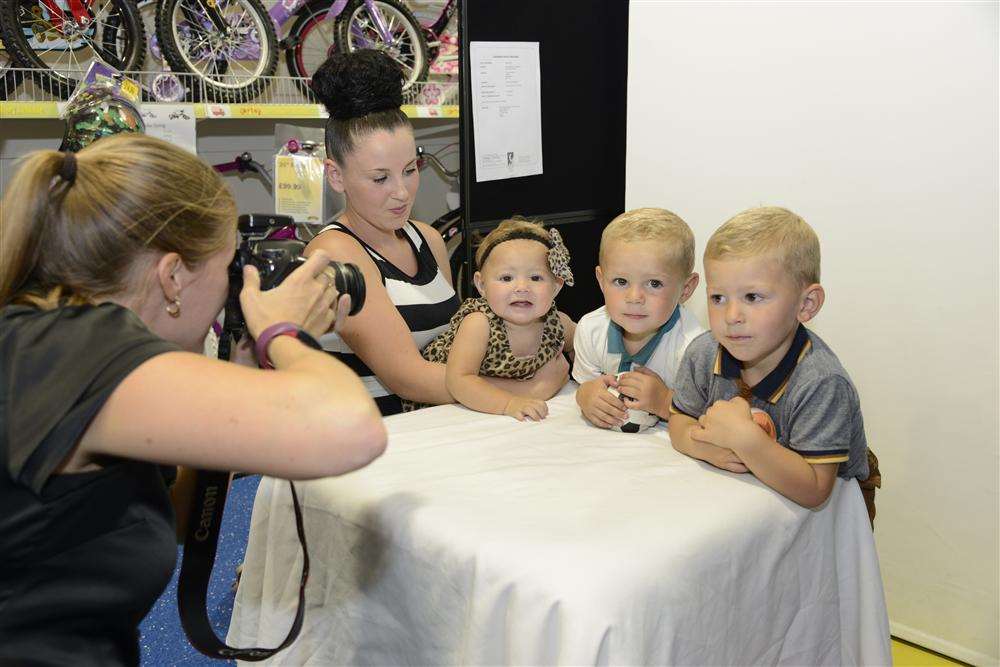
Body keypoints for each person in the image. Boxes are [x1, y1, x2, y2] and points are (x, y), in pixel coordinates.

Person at [0, 134, 387, 666]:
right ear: (173, 275)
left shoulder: (50, 340)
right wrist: (283, 331)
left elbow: (162, 518)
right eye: (229, 266)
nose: (233, 288)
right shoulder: (77, 348)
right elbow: (351, 431)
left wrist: (245, 372)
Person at [307, 49, 568, 415]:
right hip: (367, 443)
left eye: (411, 169)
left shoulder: (427, 240)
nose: (402, 191)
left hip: (434, 431)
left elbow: (454, 346)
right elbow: (408, 377)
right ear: (336, 176)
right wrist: (529, 387)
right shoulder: (336, 254)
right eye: (380, 178)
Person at [668, 206, 878, 517]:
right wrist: (704, 447)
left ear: (806, 304)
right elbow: (679, 419)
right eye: (718, 298)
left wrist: (746, 440)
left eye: (752, 297)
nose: (731, 317)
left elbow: (816, 491)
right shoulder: (703, 352)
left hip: (831, 519)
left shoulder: (822, 382)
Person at [410, 218, 576, 421]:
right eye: (506, 278)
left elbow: (586, 343)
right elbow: (459, 381)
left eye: (535, 278)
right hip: (444, 408)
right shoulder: (479, 324)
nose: (522, 287)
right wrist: (509, 403)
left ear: (556, 286)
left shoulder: (557, 323)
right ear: (481, 285)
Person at [573, 208, 704, 429]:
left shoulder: (693, 348)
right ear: (601, 281)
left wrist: (664, 403)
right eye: (621, 281)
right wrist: (584, 395)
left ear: (686, 288)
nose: (634, 298)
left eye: (654, 283)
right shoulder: (590, 329)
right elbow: (584, 383)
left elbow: (708, 414)